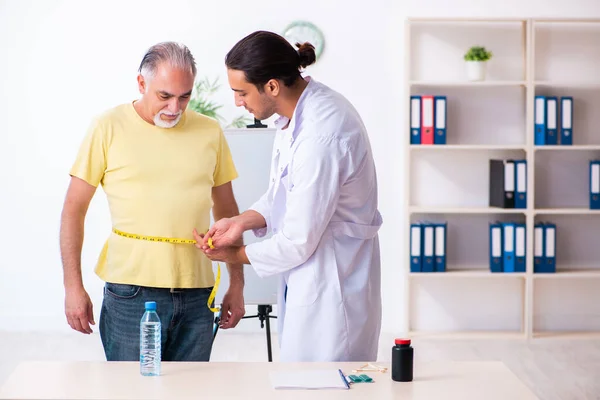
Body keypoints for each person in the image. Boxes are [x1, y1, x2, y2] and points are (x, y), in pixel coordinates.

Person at [193, 31, 383, 362]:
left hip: (334, 286)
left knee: (329, 381)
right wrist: (240, 222)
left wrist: (234, 255)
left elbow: (297, 240)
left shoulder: (321, 135)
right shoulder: (297, 115)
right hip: (314, 276)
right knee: (302, 379)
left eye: (241, 92)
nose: (238, 102)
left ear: (271, 86)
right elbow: (283, 193)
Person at [60, 41, 245, 362]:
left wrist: (237, 285)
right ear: (141, 83)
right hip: (130, 291)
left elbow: (228, 213)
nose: (175, 107)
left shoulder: (210, 131)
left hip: (198, 293)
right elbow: (73, 210)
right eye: (164, 96)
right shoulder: (107, 127)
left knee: (191, 391)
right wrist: (72, 287)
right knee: (131, 391)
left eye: (184, 96)